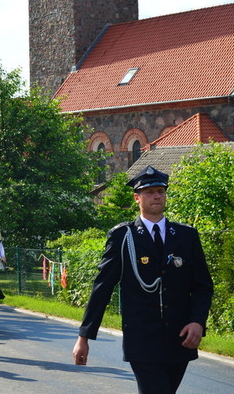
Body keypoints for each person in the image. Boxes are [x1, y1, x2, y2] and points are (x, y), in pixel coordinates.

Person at [72, 166, 214, 394]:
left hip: (180, 337)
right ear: (137, 198)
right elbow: (103, 287)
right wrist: (84, 336)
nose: (156, 195)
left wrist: (198, 321)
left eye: (160, 190)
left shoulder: (186, 236)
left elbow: (203, 286)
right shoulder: (123, 237)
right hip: (142, 339)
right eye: (149, 192)